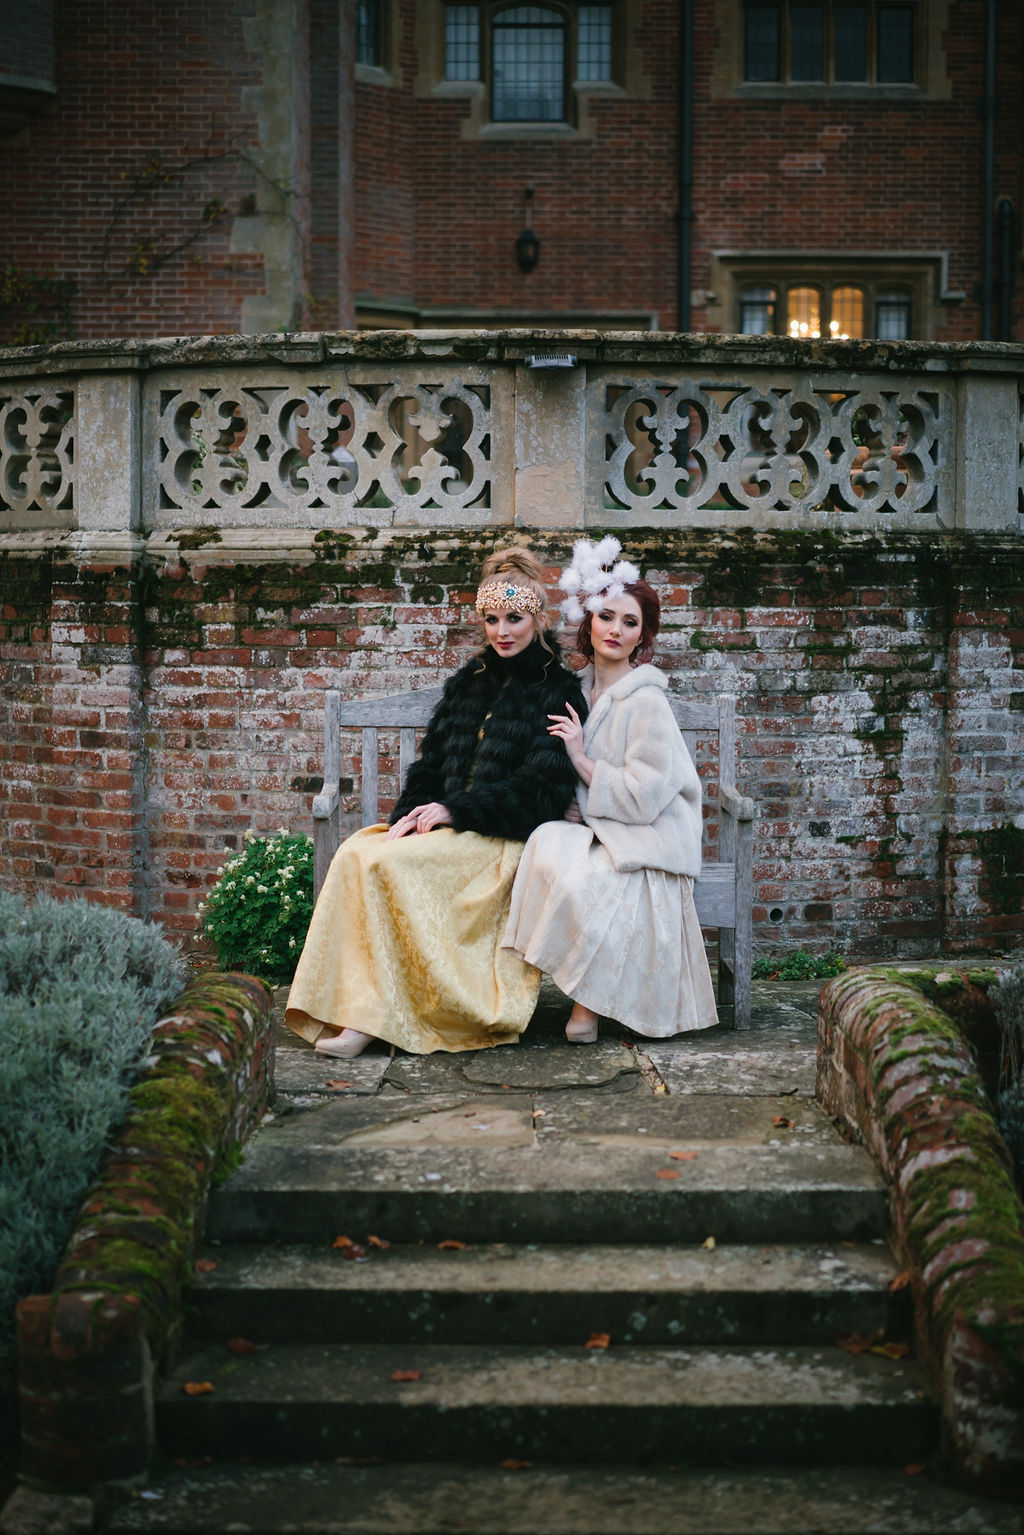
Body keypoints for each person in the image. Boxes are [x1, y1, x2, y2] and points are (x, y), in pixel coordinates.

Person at [285, 547, 587, 1058]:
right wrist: (412, 814)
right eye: (491, 619)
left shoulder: (556, 692)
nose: (502, 631)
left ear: (538, 618)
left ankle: (368, 1021)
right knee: (360, 852)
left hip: (502, 842)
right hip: (452, 834)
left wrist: (458, 811)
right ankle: (349, 1008)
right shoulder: (467, 684)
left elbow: (541, 793)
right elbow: (429, 765)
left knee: (384, 868)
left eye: (514, 618)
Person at [503, 536, 719, 1043]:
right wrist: (565, 798)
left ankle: (588, 1005)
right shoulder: (576, 691)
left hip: (653, 831)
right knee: (546, 846)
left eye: (630, 624)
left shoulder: (646, 701)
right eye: (607, 617)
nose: (616, 630)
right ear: (590, 621)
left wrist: (581, 757)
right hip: (601, 820)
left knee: (597, 881)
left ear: (643, 637)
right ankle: (530, 997)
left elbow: (645, 797)